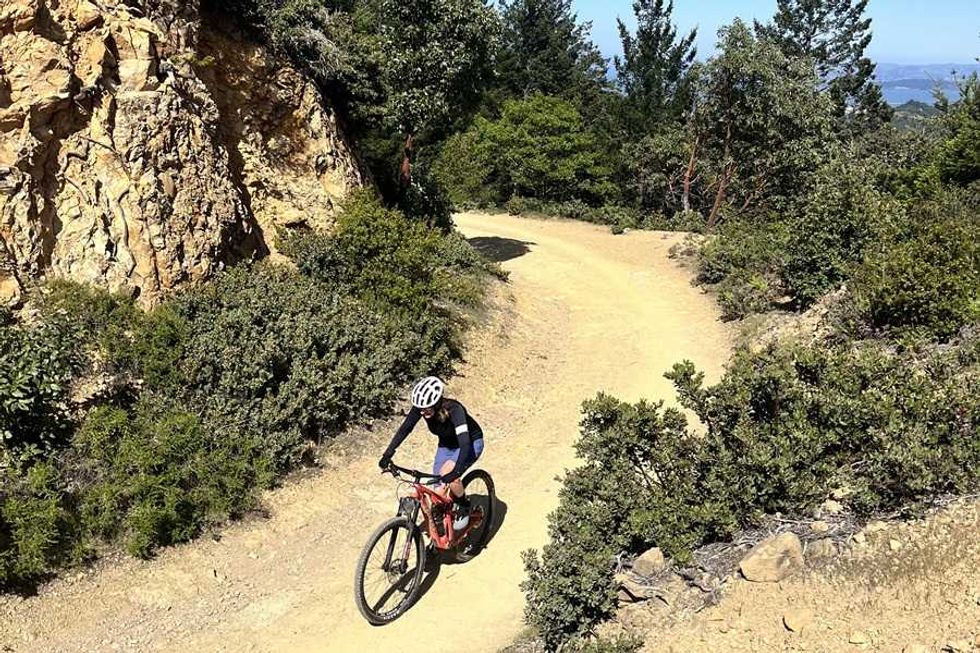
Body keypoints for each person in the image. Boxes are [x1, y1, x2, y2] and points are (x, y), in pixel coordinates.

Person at [379, 376, 484, 531]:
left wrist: (456, 471)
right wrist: (388, 454)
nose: (422, 412)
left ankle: (464, 506)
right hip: (446, 445)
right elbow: (405, 429)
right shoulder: (422, 409)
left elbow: (465, 442)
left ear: (436, 403)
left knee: (448, 473)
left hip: (470, 443)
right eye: (420, 409)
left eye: (427, 408)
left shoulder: (455, 410)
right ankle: (441, 536)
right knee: (438, 493)